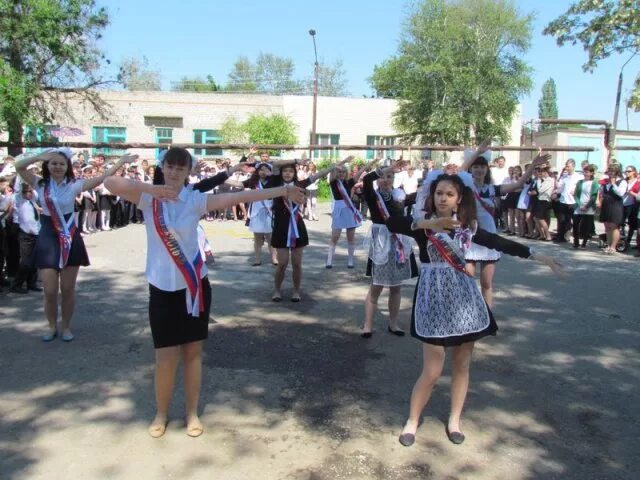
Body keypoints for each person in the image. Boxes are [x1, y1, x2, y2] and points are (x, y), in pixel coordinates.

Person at [104, 147, 305, 438]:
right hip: (162, 288)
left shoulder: (195, 200)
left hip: (195, 287)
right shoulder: (147, 198)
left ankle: (191, 413)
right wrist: (156, 188)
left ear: (188, 172)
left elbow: (240, 197)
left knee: (193, 353)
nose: (173, 173)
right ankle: (161, 412)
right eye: (169, 167)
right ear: (162, 168)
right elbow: (111, 184)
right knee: (164, 356)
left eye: (180, 168)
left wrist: (283, 190)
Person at [387, 173, 563, 447]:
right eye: (439, 193)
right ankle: (412, 421)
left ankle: (454, 420)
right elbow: (390, 221)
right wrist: (428, 223)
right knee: (432, 370)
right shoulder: (421, 226)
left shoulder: (466, 229)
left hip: (464, 301)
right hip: (433, 298)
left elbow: (499, 242)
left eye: (449, 194)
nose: (443, 198)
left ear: (458, 200)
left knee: (462, 364)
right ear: (432, 197)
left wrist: (539, 256)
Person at [15, 148, 132, 342]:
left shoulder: (74, 185)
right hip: (48, 238)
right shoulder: (39, 183)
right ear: (47, 165)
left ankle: (66, 325)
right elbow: (19, 167)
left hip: (69, 237)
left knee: (68, 288)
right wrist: (37, 157)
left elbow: (102, 177)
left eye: (61, 163)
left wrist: (121, 161)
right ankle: (52, 325)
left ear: (67, 166)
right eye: (53, 163)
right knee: (50, 290)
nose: (58, 166)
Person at [455, 143, 550, 307]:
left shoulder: (492, 189)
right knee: (466, 280)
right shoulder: (465, 187)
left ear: (487, 170)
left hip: (490, 235)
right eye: (475, 166)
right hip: (470, 236)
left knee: (486, 284)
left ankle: (488, 319)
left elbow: (518, 184)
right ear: (471, 169)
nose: (479, 170)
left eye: (482, 167)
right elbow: (459, 174)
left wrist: (533, 166)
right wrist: (477, 152)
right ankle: (467, 317)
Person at [269, 158, 349, 302]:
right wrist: (295, 160)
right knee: (282, 264)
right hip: (281, 228)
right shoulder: (276, 183)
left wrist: (333, 166)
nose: (287, 173)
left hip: (297, 227)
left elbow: (317, 175)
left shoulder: (300, 184)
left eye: (290, 171)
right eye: (285, 171)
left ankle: (296, 291)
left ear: (294, 173)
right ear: (281, 173)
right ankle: (277, 290)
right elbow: (274, 164)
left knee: (297, 264)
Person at [361, 159, 418, 338]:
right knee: (376, 286)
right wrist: (388, 168)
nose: (386, 179)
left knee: (396, 287)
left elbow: (416, 197)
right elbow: (366, 180)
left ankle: (393, 323)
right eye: (384, 176)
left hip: (398, 243)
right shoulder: (373, 195)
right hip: (381, 243)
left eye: (390, 176)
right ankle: (367, 325)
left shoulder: (399, 195)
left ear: (395, 178)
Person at [326, 161, 362, 269]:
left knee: (350, 238)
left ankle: (350, 260)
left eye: (343, 172)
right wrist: (342, 162)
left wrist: (372, 162)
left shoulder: (349, 182)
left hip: (349, 210)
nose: (341, 174)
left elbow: (360, 172)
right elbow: (331, 170)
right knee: (335, 237)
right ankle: (329, 260)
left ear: (347, 173)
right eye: (339, 172)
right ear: (336, 173)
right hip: (338, 211)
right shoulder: (333, 182)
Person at [598, 164, 627, 254]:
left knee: (614, 227)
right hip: (606, 205)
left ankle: (613, 247)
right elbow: (602, 193)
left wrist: (614, 184)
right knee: (607, 226)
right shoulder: (606, 182)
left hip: (616, 206)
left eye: (612, 171)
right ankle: (609, 245)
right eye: (609, 171)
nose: (610, 173)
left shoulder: (622, 182)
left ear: (617, 172)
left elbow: (621, 193)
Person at [552, 159, 583, 243]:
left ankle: (569, 236)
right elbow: (560, 188)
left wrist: (576, 191)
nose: (567, 168)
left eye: (568, 166)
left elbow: (582, 188)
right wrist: (555, 192)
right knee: (561, 219)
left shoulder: (579, 176)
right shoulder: (564, 176)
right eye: (566, 166)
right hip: (563, 200)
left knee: (572, 220)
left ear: (573, 166)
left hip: (573, 201)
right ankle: (560, 236)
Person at [571, 164, 599, 249]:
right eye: (584, 171)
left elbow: (594, 196)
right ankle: (576, 243)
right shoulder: (580, 182)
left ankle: (584, 243)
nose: (584, 173)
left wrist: (586, 206)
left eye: (586, 172)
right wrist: (580, 204)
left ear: (591, 173)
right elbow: (575, 195)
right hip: (579, 205)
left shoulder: (594, 183)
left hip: (589, 206)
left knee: (586, 226)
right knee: (575, 224)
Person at [532, 167, 555, 241]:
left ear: (546, 173)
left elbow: (540, 190)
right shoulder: (543, 180)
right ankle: (542, 234)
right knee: (536, 218)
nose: (541, 174)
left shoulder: (550, 180)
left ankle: (548, 235)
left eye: (543, 172)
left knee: (540, 218)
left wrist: (539, 180)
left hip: (545, 201)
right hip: (540, 200)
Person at [622, 166, 639, 249]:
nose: (627, 172)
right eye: (626, 171)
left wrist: (631, 193)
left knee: (631, 225)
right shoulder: (623, 181)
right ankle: (622, 240)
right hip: (622, 204)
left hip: (632, 205)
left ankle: (628, 240)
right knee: (620, 223)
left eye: (629, 171)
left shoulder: (637, 182)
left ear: (634, 172)